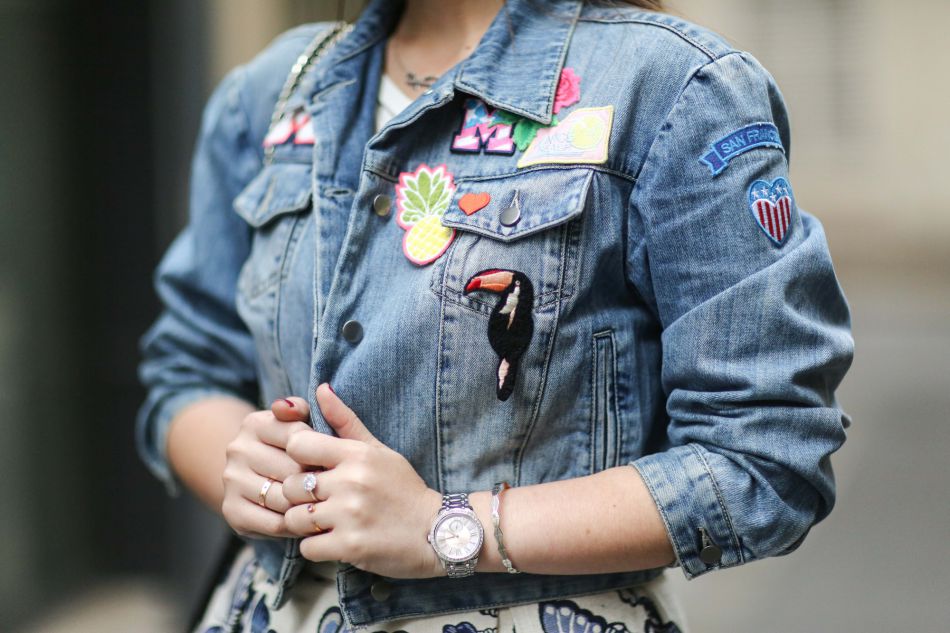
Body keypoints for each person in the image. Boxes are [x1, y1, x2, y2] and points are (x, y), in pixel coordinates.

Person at [135, 0, 855, 631]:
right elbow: (187, 370)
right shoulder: (273, 93)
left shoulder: (672, 88)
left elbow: (763, 457)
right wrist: (248, 474)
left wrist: (445, 527)